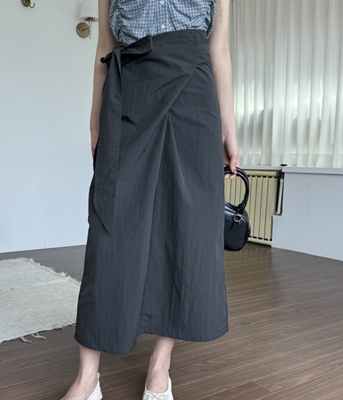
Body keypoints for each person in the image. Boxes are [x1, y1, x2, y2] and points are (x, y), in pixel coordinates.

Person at [63, 0, 239, 399]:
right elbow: (104, 46)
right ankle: (87, 378)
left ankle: (160, 367)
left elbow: (219, 47)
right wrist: (95, 122)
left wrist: (229, 127)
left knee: (185, 227)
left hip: (193, 94)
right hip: (128, 91)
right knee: (109, 228)